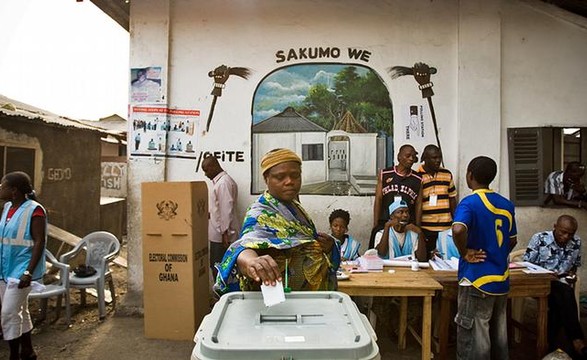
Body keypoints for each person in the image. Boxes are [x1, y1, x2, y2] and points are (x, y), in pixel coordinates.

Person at [213, 148, 340, 295]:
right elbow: (246, 245)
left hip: (309, 298)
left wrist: (329, 246)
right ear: (266, 178)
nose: (289, 182)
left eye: (295, 176)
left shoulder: (294, 206)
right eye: (280, 177)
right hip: (281, 302)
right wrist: (251, 262)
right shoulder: (259, 213)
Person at [452, 156, 517, 359]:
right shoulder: (506, 205)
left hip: (476, 280)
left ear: (469, 175)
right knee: (498, 335)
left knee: (475, 339)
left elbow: (458, 229)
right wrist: (497, 254)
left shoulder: (469, 203)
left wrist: (465, 252)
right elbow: (512, 240)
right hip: (500, 279)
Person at [523, 215, 587, 358]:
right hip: (539, 282)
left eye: (570, 234)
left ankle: (549, 344)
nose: (566, 236)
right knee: (564, 293)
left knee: (560, 298)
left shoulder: (576, 242)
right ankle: (577, 340)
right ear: (555, 227)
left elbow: (574, 267)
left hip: (562, 285)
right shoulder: (539, 239)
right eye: (562, 232)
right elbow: (526, 265)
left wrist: (572, 275)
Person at [0, 171, 46, 360]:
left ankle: (14, 356)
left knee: (8, 313)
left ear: (14, 190)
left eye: (2, 185)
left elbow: (39, 241)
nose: (0, 188)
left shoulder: (35, 210)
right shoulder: (7, 207)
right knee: (21, 311)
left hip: (22, 271)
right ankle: (28, 351)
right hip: (4, 269)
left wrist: (28, 271)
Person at [371, 144, 422, 247]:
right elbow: (379, 199)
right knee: (379, 251)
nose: (411, 159)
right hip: (385, 221)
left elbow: (419, 204)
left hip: (406, 223)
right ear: (399, 157)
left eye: (413, 157)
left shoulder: (418, 178)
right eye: (408, 156)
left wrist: (417, 226)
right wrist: (376, 224)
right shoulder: (385, 173)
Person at [415, 144, 457, 259]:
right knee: (427, 261)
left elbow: (452, 199)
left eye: (439, 157)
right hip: (427, 228)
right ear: (425, 159)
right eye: (434, 158)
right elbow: (416, 204)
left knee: (446, 259)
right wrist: (418, 229)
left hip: (446, 228)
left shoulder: (447, 174)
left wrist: (456, 221)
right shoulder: (417, 176)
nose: (438, 160)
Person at [201, 156, 239, 280]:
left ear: (213, 167)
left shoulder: (223, 183)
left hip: (221, 236)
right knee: (218, 266)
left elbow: (225, 209)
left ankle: (222, 296)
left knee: (218, 267)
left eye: (206, 170)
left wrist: (225, 233)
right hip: (219, 233)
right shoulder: (221, 182)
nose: (205, 174)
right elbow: (219, 208)